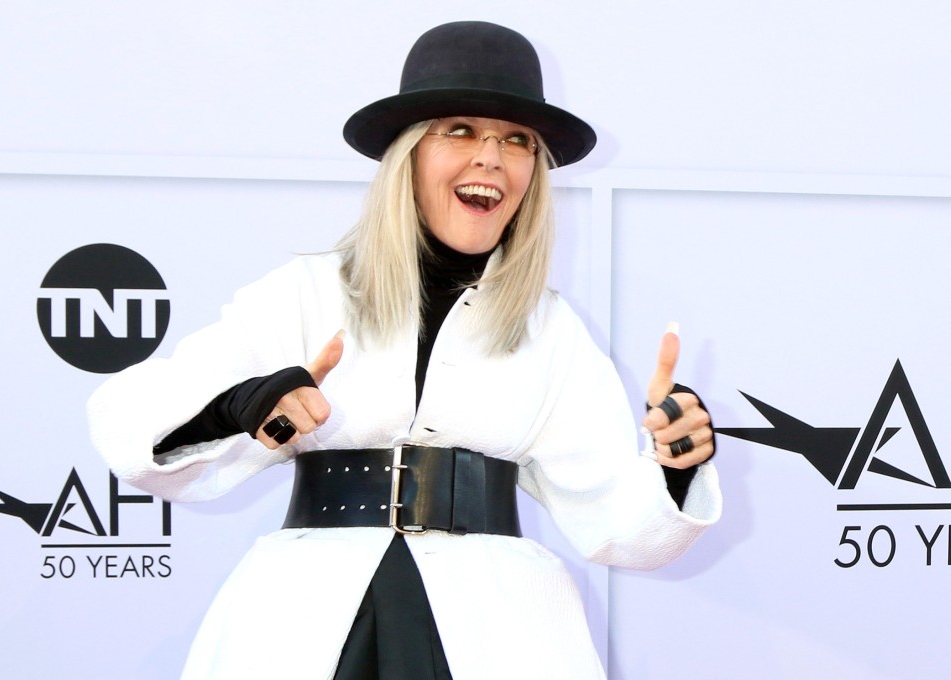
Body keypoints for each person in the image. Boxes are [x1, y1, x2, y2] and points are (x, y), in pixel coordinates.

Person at [87, 20, 721, 680]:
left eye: (516, 141)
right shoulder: (305, 294)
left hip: (498, 638)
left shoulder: (550, 329)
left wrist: (677, 463)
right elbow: (131, 430)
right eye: (460, 131)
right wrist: (241, 405)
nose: (491, 158)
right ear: (409, 154)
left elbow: (621, 525)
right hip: (300, 630)